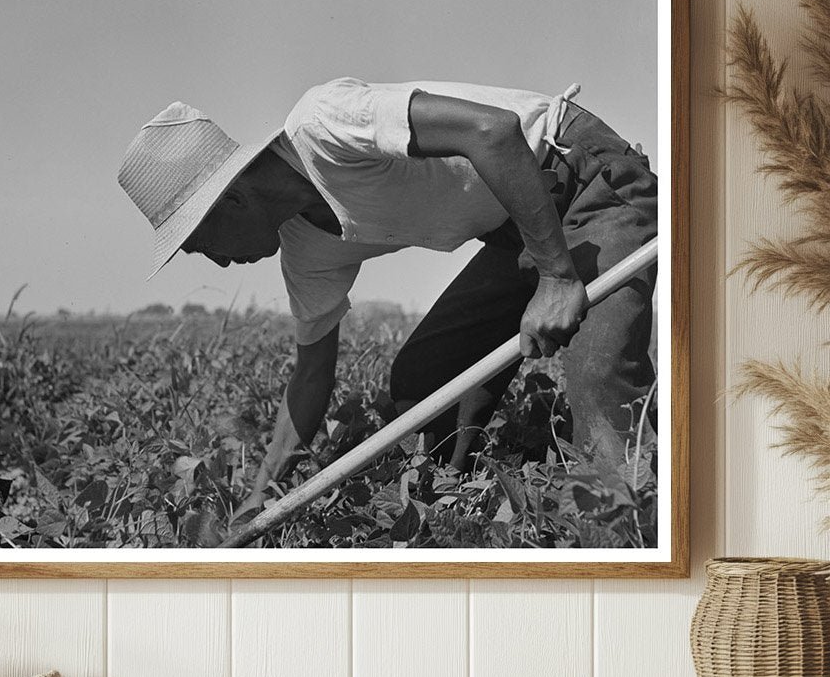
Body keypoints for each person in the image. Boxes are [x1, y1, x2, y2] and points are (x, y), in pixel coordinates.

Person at [118, 77, 658, 516]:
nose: (216, 262)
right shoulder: (306, 249)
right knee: (425, 378)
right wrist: (262, 495)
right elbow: (311, 373)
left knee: (598, 378)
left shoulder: (323, 123)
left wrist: (559, 278)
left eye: (200, 243)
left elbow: (494, 133)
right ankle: (464, 508)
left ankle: (625, 523)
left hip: (585, 179)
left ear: (231, 200)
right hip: (522, 230)